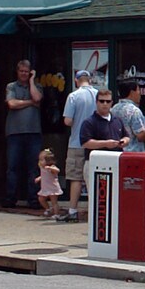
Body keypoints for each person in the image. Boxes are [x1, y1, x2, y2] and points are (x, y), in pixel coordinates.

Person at [2, 57, 42, 210]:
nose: (24, 74)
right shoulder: (11, 86)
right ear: (17, 71)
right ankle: (10, 198)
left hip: (33, 132)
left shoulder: (36, 86)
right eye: (22, 71)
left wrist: (32, 82)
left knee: (34, 167)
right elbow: (11, 104)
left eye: (27, 72)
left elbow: (37, 97)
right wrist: (30, 103)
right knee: (13, 167)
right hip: (15, 133)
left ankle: (33, 200)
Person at [61, 69, 99, 217]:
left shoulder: (73, 96)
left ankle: (73, 210)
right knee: (93, 177)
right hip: (94, 143)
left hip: (77, 142)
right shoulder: (98, 95)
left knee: (75, 177)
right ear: (89, 80)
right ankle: (94, 210)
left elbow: (68, 120)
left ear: (76, 81)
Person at [112, 74, 145, 150]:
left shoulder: (114, 108)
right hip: (133, 153)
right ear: (132, 92)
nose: (139, 93)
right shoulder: (134, 111)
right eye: (138, 90)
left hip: (118, 152)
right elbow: (140, 136)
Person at [35, 147, 64, 220]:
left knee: (54, 201)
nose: (40, 162)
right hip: (45, 187)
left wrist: (51, 168)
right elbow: (44, 176)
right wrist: (40, 178)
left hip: (52, 188)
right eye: (39, 160)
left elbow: (57, 170)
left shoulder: (51, 167)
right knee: (41, 198)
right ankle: (48, 209)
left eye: (42, 160)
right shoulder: (42, 168)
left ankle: (57, 214)